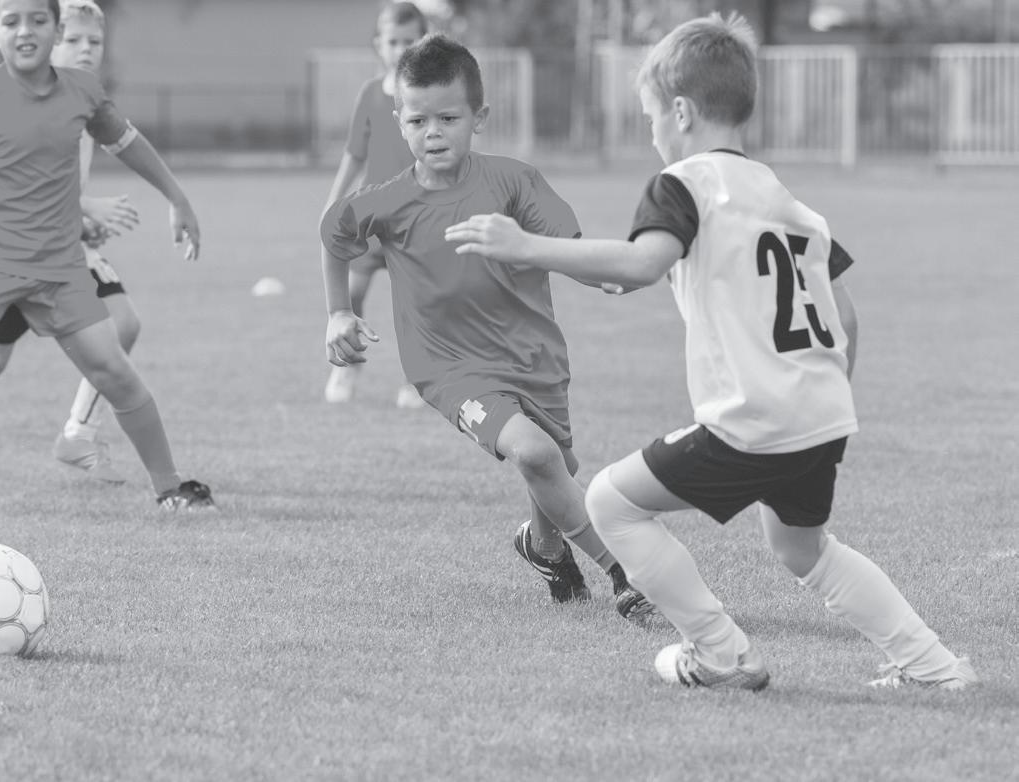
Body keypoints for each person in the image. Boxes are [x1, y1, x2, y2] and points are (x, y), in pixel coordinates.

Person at [445, 13, 978, 690]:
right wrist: (819, 394)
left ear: (680, 111)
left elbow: (642, 262)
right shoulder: (783, 198)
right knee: (802, 548)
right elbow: (843, 313)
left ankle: (720, 654)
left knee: (610, 501)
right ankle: (934, 669)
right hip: (821, 413)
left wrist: (525, 245)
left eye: (649, 118)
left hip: (754, 417)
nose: (652, 134)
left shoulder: (682, 183)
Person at [321, 33, 651, 618]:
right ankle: (627, 574)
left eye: (448, 118)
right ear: (399, 123)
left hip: (534, 355)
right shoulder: (387, 202)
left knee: (556, 466)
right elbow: (333, 233)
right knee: (536, 454)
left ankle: (543, 547)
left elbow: (564, 246)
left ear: (480, 117)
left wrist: (604, 274)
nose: (433, 133)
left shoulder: (514, 181)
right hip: (448, 368)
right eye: (418, 120)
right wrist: (338, 312)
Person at [0, 0, 213, 510]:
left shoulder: (82, 92)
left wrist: (177, 197)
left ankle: (171, 491)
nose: (25, 31)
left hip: (59, 269)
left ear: (56, 30)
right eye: (11, 22)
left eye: (38, 20)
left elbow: (127, 142)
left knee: (115, 372)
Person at [0, 0, 139, 484]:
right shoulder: (32, 99)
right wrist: (87, 207)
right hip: (16, 249)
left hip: (62, 247)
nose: (86, 49)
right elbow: (24, 183)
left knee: (123, 324)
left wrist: (81, 219)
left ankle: (78, 434)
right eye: (73, 40)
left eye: (95, 41)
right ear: (50, 41)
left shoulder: (84, 100)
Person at [322, 1, 426, 409]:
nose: (400, 49)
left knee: (414, 303)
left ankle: (416, 379)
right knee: (350, 290)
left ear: (423, 43)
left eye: (409, 41)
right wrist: (334, 200)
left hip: (416, 219)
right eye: (393, 41)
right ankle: (348, 364)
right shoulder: (369, 94)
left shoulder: (426, 98)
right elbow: (354, 153)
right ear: (378, 44)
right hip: (371, 219)